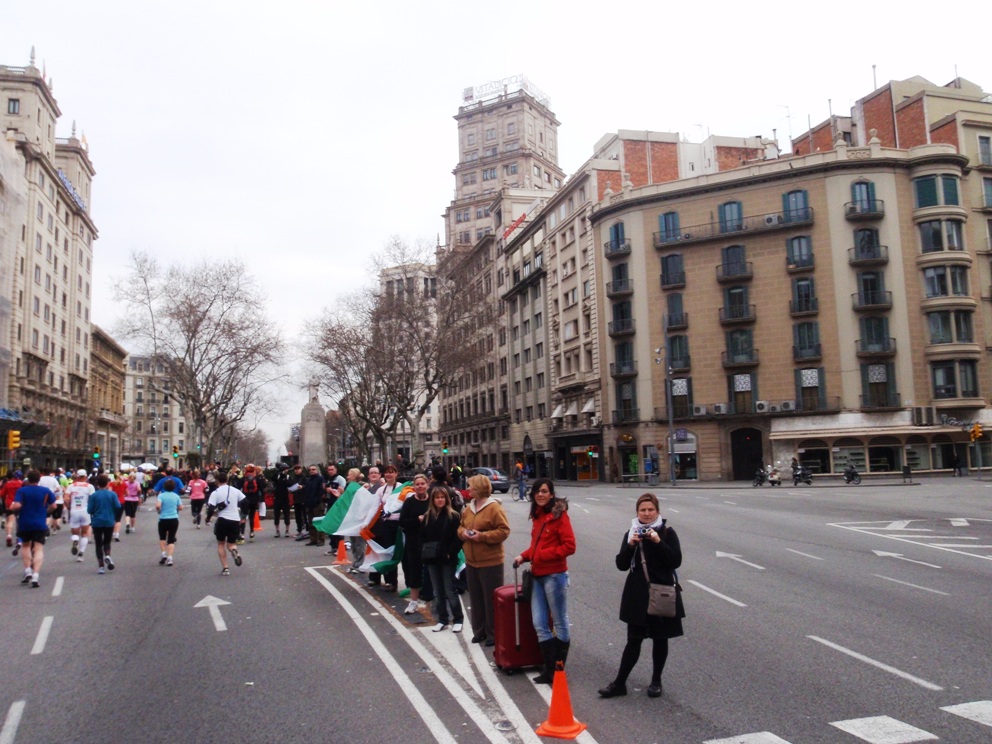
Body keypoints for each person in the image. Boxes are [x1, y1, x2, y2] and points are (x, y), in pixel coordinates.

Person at [599, 493, 684, 699]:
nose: (646, 514)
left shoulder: (667, 532)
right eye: (642, 510)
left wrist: (657, 542)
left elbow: (675, 561)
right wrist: (630, 545)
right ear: (637, 512)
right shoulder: (632, 533)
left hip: (661, 592)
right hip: (638, 595)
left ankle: (656, 681)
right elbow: (621, 565)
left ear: (657, 511)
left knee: (660, 639)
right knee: (634, 640)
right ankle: (619, 683)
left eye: (650, 510)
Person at [512, 478, 576, 685]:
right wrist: (524, 556)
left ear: (551, 494)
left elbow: (569, 546)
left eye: (544, 491)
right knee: (540, 623)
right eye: (537, 491)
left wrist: (542, 556)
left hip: (555, 575)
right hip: (538, 576)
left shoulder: (560, 517)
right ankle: (550, 669)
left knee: (559, 621)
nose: (540, 495)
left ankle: (558, 668)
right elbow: (535, 547)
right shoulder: (538, 516)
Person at [458, 474, 510, 646]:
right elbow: (461, 526)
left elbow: (503, 531)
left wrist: (482, 536)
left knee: (491, 599)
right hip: (472, 560)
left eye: (470, 486)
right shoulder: (469, 507)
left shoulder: (494, 508)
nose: (468, 489)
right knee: (476, 598)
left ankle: (493, 633)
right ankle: (479, 631)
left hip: (490, 561)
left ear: (479, 488)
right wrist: (463, 533)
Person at [421, 485, 464, 632]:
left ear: (447, 499)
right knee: (437, 591)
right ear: (432, 500)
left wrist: (450, 553)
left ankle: (458, 619)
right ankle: (442, 619)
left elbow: (458, 539)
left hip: (447, 558)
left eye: (442, 497)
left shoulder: (454, 516)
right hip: (432, 558)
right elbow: (424, 537)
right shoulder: (428, 516)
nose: (440, 500)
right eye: (437, 497)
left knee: (449, 589)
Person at [10, 470, 57, 587]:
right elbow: (54, 505)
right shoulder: (45, 491)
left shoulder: (22, 491)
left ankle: (27, 571)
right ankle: (36, 575)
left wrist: (13, 508)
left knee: (25, 546)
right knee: (38, 549)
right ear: (38, 479)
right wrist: (46, 511)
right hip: (40, 523)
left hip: (25, 523)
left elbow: (17, 505)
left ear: (28, 479)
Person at [399, 474, 430, 613]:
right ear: (414, 487)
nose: (420, 486)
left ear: (427, 485)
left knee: (432, 571)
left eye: (422, 484)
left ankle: (432, 598)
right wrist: (417, 519)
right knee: (414, 570)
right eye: (417, 484)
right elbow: (402, 522)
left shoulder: (434, 500)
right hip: (413, 541)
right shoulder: (409, 502)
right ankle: (413, 601)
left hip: (430, 541)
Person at [367, 465, 401, 588]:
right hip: (385, 524)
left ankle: (392, 581)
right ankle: (378, 577)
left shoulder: (402, 488)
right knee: (383, 551)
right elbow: (374, 507)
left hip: (398, 524)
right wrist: (366, 523)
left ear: (396, 474)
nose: (389, 475)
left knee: (393, 553)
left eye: (391, 472)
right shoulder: (381, 490)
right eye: (386, 472)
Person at [204, 471, 244, 575]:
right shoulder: (235, 490)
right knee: (231, 544)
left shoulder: (215, 493)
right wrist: (244, 515)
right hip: (235, 519)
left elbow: (211, 508)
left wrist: (208, 518)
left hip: (222, 519)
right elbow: (245, 501)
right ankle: (234, 550)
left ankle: (225, 568)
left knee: (221, 543)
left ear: (217, 480)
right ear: (227, 480)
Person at [87, 474, 123, 574]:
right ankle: (107, 555)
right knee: (107, 542)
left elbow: (89, 510)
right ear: (107, 483)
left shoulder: (94, 495)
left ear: (97, 484)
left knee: (98, 544)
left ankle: (101, 566)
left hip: (97, 521)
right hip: (109, 521)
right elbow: (118, 506)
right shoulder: (112, 494)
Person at [65, 469, 95, 563]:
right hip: (85, 511)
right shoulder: (89, 486)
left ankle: (75, 540)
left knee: (74, 533)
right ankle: (81, 553)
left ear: (77, 476)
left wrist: (69, 507)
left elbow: (66, 498)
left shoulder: (71, 486)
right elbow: (93, 499)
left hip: (74, 511)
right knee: (85, 533)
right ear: (85, 476)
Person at [156, 479, 184, 566]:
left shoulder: (161, 496)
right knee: (171, 539)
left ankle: (163, 553)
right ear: (173, 487)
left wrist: (159, 510)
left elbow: (158, 506)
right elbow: (180, 507)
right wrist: (175, 508)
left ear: (164, 486)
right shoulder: (176, 496)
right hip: (174, 519)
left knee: (162, 538)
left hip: (163, 519)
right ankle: (170, 558)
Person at [239, 464, 265, 541]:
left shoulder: (243, 479)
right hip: (254, 500)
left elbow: (237, 487)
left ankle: (242, 533)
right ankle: (251, 532)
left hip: (245, 500)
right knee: (252, 517)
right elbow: (262, 489)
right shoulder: (257, 479)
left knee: (243, 517)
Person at [302, 465, 326, 547]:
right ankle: (313, 539)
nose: (311, 471)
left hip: (317, 504)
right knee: (311, 523)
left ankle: (321, 539)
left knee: (319, 522)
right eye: (310, 470)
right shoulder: (309, 480)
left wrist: (317, 500)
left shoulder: (320, 479)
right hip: (309, 504)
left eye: (313, 469)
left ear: (317, 470)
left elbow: (321, 491)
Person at [270, 463, 292, 538]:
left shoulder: (288, 477)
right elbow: (272, 479)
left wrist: (284, 476)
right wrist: (278, 473)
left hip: (285, 498)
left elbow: (289, 484)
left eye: (287, 469)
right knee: (276, 515)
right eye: (285, 469)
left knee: (287, 514)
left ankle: (287, 530)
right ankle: (277, 530)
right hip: (277, 497)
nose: (286, 470)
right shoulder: (277, 475)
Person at [3, 470, 24, 549]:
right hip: (19, 504)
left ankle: (9, 535)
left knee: (10, 520)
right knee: (19, 521)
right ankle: (19, 537)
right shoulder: (21, 483)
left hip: (9, 504)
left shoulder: (8, 483)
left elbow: (2, 493)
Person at [288, 464, 308, 538]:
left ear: (301, 469)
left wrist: (302, 487)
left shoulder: (304, 477)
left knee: (305, 515)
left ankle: (307, 529)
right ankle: (299, 529)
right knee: (298, 515)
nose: (297, 470)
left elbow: (307, 486)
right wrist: (290, 490)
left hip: (303, 498)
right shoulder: (293, 477)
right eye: (295, 469)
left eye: (298, 469)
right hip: (296, 498)